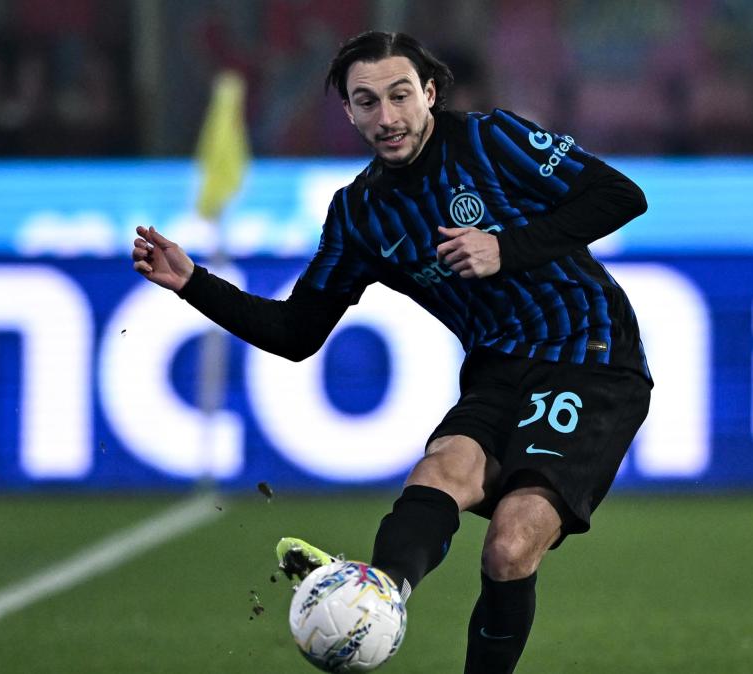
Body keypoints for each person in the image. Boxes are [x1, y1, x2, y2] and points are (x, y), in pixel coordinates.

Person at [131, 30, 651, 674]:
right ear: (349, 113)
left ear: (429, 94)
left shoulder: (491, 140)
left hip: (591, 353)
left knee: (510, 546)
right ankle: (376, 595)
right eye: (367, 102)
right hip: (497, 366)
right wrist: (194, 283)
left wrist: (504, 248)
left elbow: (621, 195)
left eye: (400, 95)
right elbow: (296, 333)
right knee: (439, 472)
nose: (387, 116)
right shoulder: (359, 214)